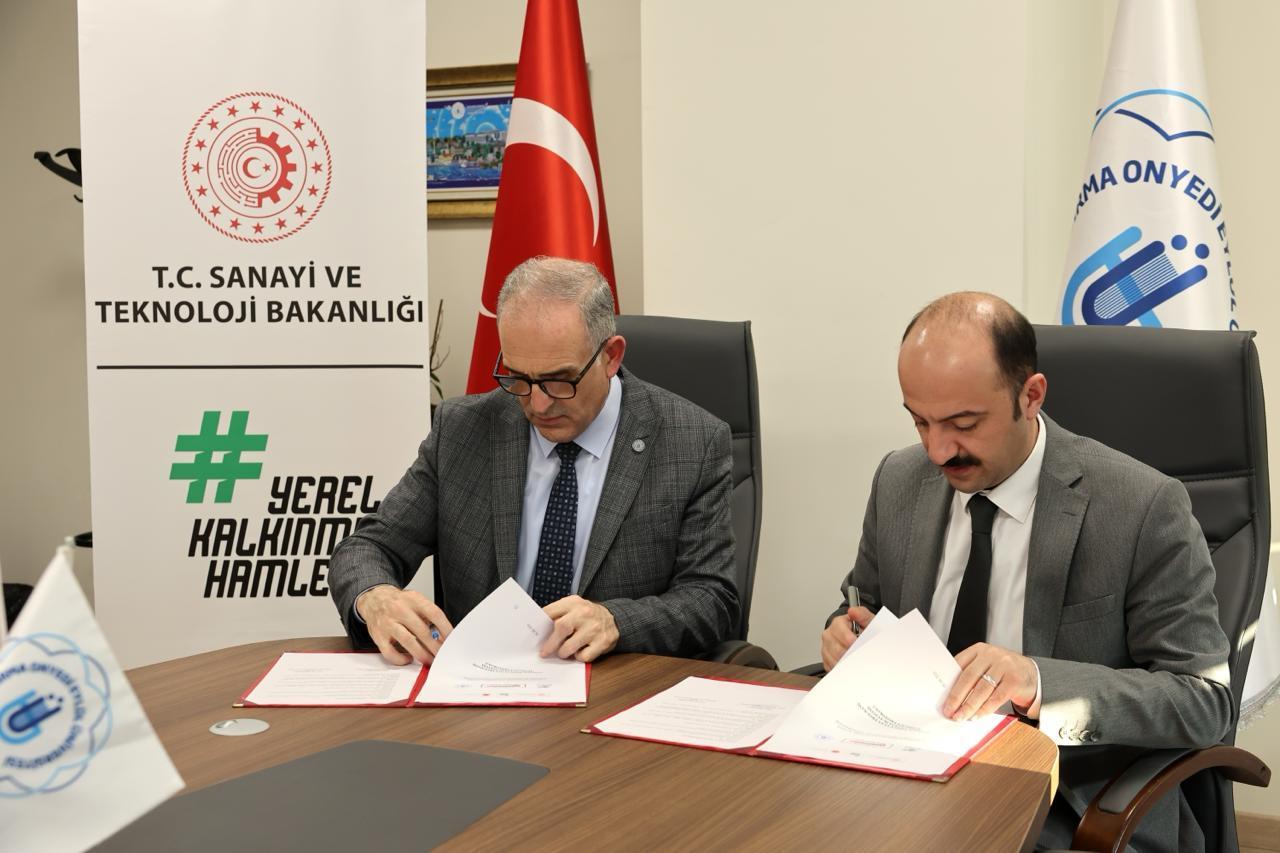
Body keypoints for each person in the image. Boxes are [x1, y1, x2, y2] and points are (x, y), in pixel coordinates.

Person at [820, 292, 1232, 851]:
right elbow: (861, 603)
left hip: (1066, 802)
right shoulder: (899, 479)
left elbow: (1203, 700)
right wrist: (845, 632)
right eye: (920, 422)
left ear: (1031, 396)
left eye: (964, 424)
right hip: (906, 775)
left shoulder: (1141, 506)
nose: (938, 451)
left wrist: (1039, 683)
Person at [329, 256, 739, 665]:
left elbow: (711, 598)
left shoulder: (692, 442)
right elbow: (368, 547)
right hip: (479, 685)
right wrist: (375, 597)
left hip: (613, 684)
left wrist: (616, 620)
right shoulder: (463, 430)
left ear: (611, 356)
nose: (538, 404)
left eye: (559, 381)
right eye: (519, 378)